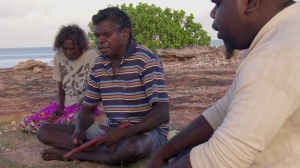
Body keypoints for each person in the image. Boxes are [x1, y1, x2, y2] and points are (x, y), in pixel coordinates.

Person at [147, 0, 300, 168]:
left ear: (250, 2)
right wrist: (163, 152)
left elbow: (224, 157)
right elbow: (223, 111)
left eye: (218, 4)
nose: (212, 13)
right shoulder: (285, 29)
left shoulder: (274, 54)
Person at [35, 7, 170, 164]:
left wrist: (125, 133)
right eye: (97, 35)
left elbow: (162, 113)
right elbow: (87, 109)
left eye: (107, 34)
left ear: (125, 33)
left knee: (131, 148)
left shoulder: (146, 60)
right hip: (111, 128)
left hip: (146, 132)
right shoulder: (99, 64)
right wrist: (79, 129)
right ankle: (105, 151)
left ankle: (77, 154)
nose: (100, 40)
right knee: (44, 131)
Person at [19, 24, 100, 133]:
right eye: (64, 48)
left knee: (74, 117)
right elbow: (61, 89)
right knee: (25, 122)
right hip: (65, 103)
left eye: (71, 48)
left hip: (84, 105)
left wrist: (75, 110)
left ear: (80, 45)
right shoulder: (58, 57)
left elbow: (92, 90)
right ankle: (54, 128)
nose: (67, 52)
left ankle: (50, 128)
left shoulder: (91, 56)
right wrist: (60, 109)